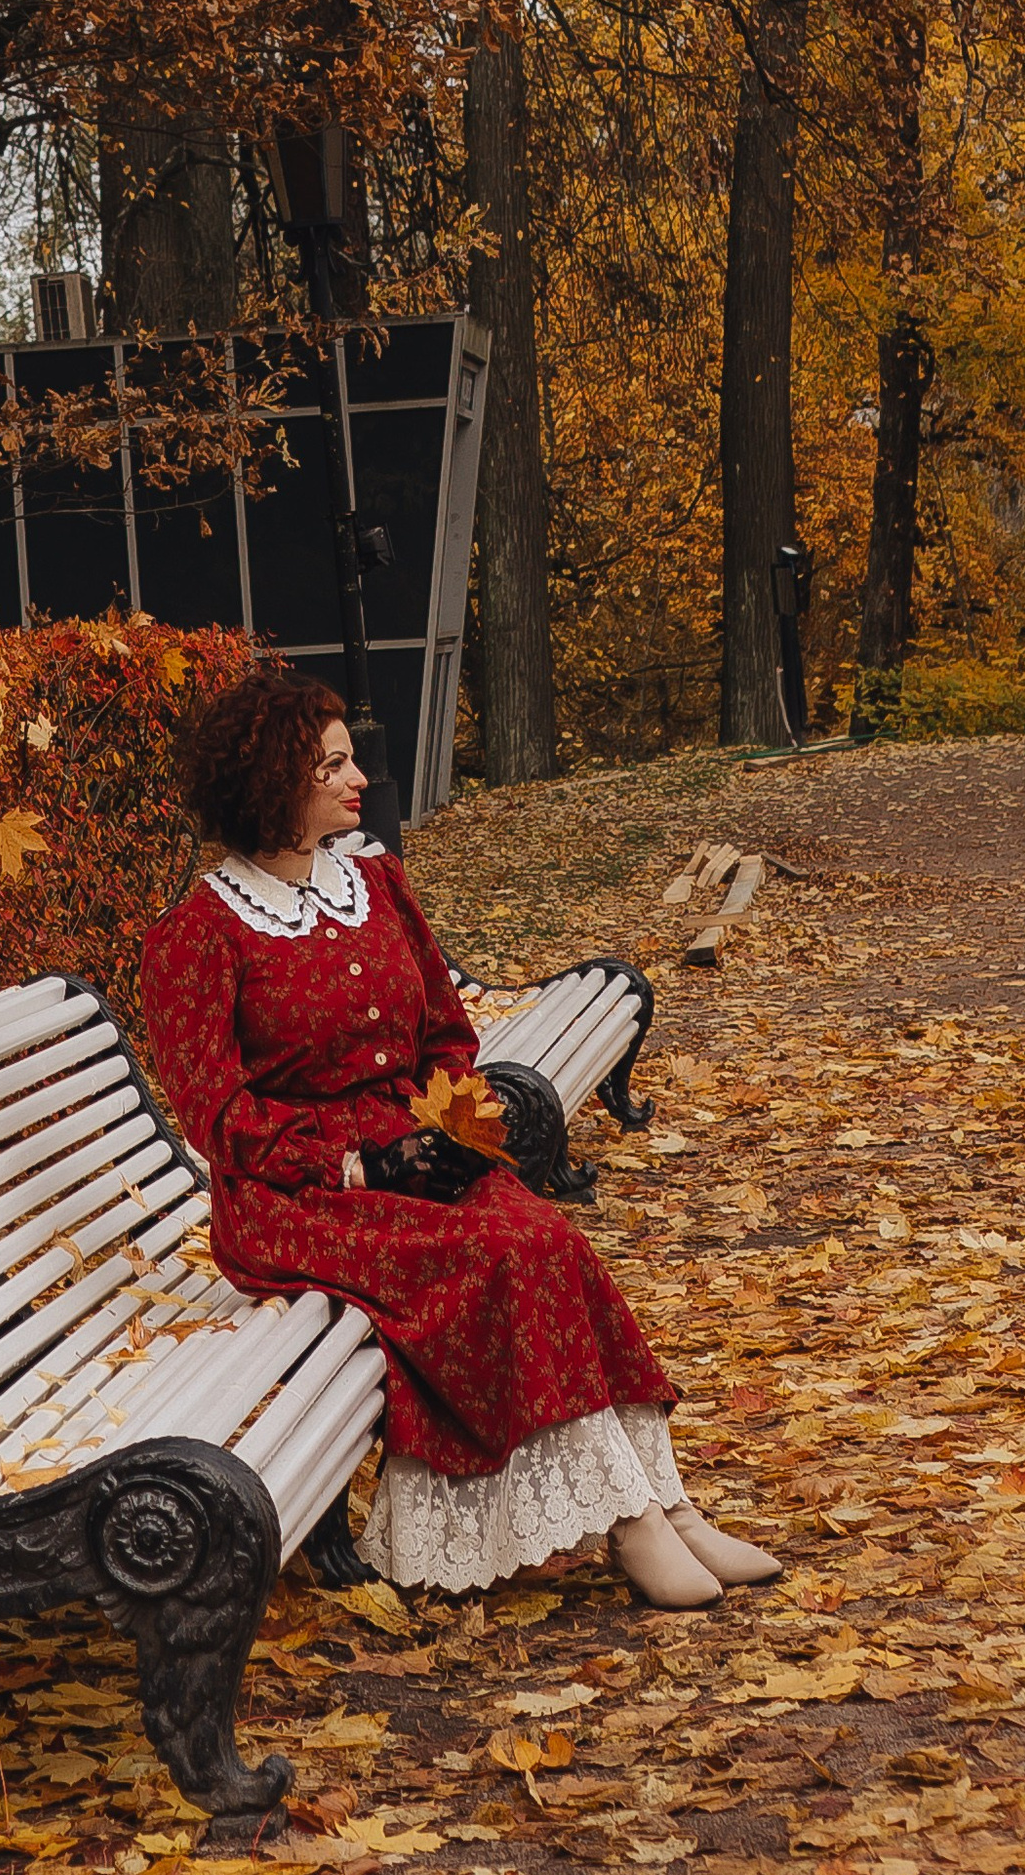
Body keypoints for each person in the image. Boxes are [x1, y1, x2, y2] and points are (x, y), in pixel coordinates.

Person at [139, 666, 781, 1607]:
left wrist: (454, 1125)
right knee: (505, 1252)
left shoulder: (374, 881)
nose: (360, 780)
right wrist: (355, 1160)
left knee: (549, 1237)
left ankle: (667, 1503)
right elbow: (217, 1117)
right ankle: (632, 1522)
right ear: (275, 784)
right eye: (334, 766)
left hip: (415, 1155)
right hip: (295, 1199)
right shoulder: (198, 935)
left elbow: (445, 1029)